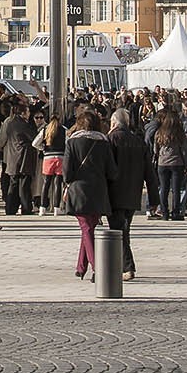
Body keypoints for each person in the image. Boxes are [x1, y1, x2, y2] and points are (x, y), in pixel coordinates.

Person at [62, 109, 117, 282]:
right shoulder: (103, 142)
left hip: (79, 190)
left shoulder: (72, 142)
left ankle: (97, 267)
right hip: (99, 190)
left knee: (86, 228)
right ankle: (81, 266)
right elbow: (112, 171)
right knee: (88, 228)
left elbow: (66, 172)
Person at [107, 108, 153, 280]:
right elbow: (149, 172)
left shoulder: (111, 139)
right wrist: (154, 199)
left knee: (118, 231)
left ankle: (127, 266)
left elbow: (107, 168)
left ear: (113, 123)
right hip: (133, 194)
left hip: (115, 193)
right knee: (124, 230)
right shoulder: (139, 141)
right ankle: (122, 265)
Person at [0, 103, 37, 216]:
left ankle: (10, 207)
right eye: (27, 112)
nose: (29, 114)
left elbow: (2, 139)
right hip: (23, 156)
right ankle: (26, 207)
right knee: (24, 183)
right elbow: (33, 137)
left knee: (13, 183)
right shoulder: (22, 124)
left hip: (12, 156)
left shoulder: (9, 122)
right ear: (22, 113)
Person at [151, 110, 187, 220]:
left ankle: (164, 212)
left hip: (162, 163)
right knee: (176, 189)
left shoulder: (159, 132)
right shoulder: (180, 133)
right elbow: (184, 150)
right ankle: (176, 212)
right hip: (177, 162)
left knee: (164, 188)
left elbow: (155, 149)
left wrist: (159, 156)